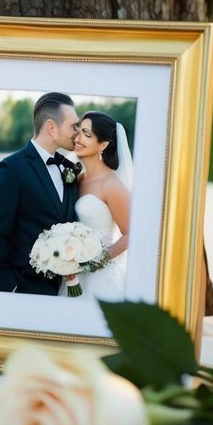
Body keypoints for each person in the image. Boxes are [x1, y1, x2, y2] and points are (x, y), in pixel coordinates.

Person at [0, 92, 80, 295]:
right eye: (73, 126)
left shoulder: (68, 168)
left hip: (58, 291)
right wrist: (6, 285)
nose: (77, 132)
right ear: (52, 127)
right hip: (20, 288)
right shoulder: (11, 169)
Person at [64, 110, 132, 301]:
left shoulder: (111, 184)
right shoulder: (79, 177)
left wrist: (94, 262)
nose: (77, 138)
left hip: (99, 277)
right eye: (78, 131)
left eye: (87, 134)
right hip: (72, 273)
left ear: (103, 144)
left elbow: (130, 234)